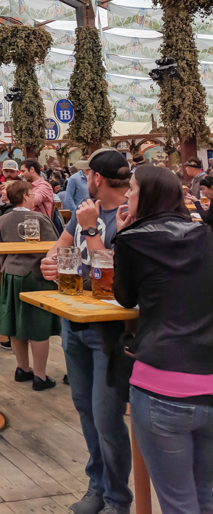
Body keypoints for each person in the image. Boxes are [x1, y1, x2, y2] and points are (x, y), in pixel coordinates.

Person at [113, 165, 213, 514]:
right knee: (207, 498)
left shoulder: (133, 240)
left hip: (161, 382)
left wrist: (119, 236)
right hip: (209, 380)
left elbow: (125, 298)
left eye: (133, 189)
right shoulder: (205, 236)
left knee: (178, 503)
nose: (127, 194)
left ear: (148, 195)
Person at [41, 148, 132, 514]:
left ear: (95, 178)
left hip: (109, 330)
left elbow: (111, 279)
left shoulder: (128, 216)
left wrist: (93, 228)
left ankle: (117, 498)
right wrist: (49, 263)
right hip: (75, 319)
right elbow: (57, 250)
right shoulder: (81, 215)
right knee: (85, 409)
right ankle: (97, 486)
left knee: (107, 416)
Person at [0, 180, 60, 390]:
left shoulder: (3, 220)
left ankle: (22, 368)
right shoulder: (40, 218)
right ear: (25, 196)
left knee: (15, 322)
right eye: (32, 194)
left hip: (11, 274)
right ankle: (40, 376)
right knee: (38, 325)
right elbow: (54, 247)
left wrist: (5, 267)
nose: (34, 197)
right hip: (36, 277)